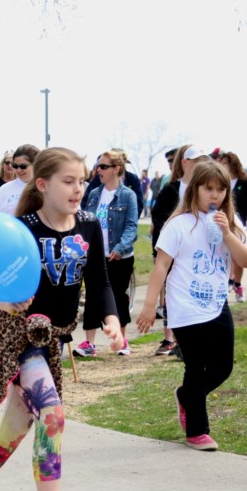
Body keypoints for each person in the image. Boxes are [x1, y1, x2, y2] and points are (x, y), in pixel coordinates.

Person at [0, 147, 122, 491]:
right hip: (15, 338)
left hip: (50, 340)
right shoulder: (24, 227)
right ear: (43, 185)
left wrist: (111, 320)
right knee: (53, 416)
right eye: (69, 181)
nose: (78, 188)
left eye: (82, 180)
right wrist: (1, 302)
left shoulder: (90, 226)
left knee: (15, 428)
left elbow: (98, 282)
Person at [136, 161, 247, 451]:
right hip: (185, 306)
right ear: (195, 190)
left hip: (216, 304)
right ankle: (197, 431)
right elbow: (161, 266)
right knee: (196, 366)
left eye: (220, 190)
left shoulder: (232, 223)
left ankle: (187, 396)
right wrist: (150, 306)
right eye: (208, 189)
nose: (214, 195)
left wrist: (227, 233)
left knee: (222, 367)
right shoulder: (180, 224)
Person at [150, 145, 210, 359]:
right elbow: (157, 216)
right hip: (173, 250)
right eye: (197, 160)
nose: (202, 164)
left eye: (205, 160)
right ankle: (169, 337)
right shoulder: (172, 188)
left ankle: (191, 339)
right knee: (170, 293)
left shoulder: (206, 188)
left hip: (198, 254)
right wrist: (172, 231)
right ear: (185, 163)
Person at [77, 149, 138, 357]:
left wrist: (120, 248)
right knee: (93, 297)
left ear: (116, 169)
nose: (98, 170)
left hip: (120, 257)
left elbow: (131, 226)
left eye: (103, 166)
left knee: (118, 298)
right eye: (98, 166)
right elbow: (84, 221)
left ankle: (121, 339)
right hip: (95, 256)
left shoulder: (128, 196)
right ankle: (89, 343)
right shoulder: (94, 194)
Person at [218, 151, 247, 302]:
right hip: (222, 221)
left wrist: (241, 219)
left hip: (238, 222)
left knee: (238, 258)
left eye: (225, 163)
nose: (222, 166)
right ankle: (226, 282)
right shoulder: (220, 181)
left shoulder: (244, 182)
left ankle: (237, 284)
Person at [83, 149, 144, 215]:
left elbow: (139, 202)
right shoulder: (99, 178)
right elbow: (86, 200)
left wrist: (132, 218)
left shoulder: (133, 179)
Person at [0, 144, 39, 215]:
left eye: (23, 166)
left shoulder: (46, 188)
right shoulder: (4, 189)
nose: (18, 170)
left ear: (35, 164)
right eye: (15, 166)